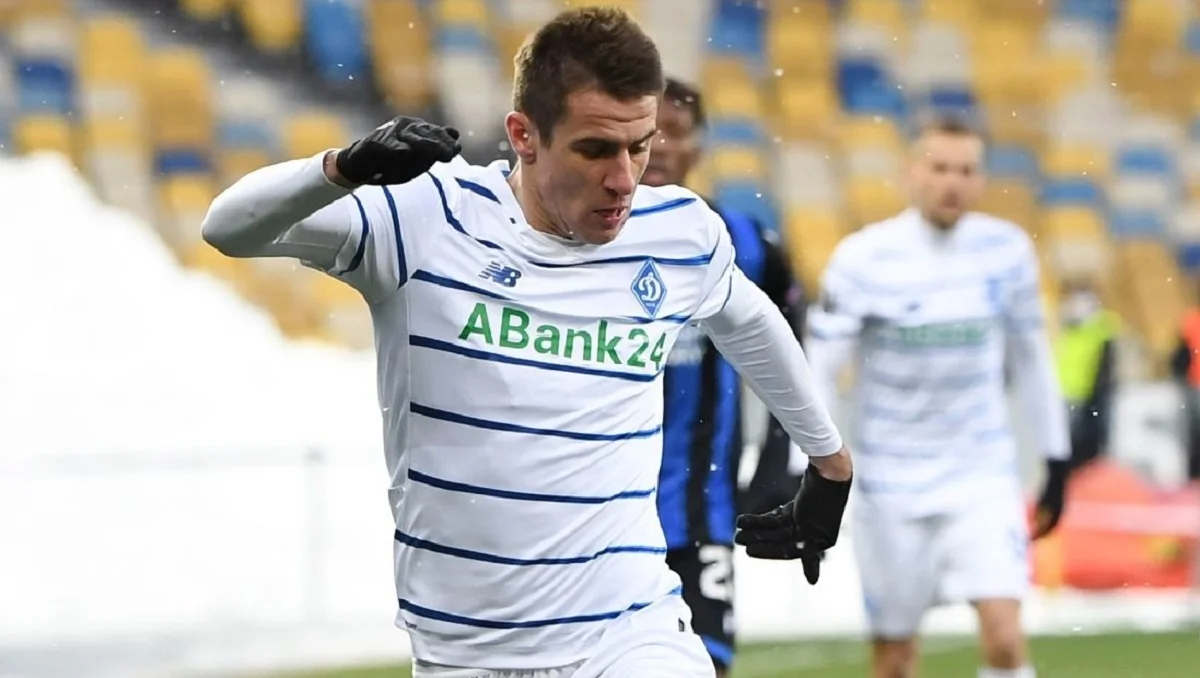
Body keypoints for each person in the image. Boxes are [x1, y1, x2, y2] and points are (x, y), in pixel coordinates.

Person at [201, 8, 853, 678]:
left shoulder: (679, 231)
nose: (625, 179)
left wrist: (830, 463)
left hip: (628, 631)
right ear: (524, 135)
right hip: (466, 652)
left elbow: (749, 319)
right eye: (595, 149)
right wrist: (341, 168)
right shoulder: (425, 217)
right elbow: (229, 229)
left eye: (639, 147)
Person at [743, 115, 1071, 678]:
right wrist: (806, 475)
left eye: (966, 170)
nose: (952, 183)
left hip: (982, 477)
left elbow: (1031, 357)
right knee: (894, 659)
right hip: (890, 485)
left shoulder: (1007, 251)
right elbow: (821, 369)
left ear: (981, 178)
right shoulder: (864, 258)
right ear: (912, 173)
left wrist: (1056, 460)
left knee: (1004, 638)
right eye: (940, 168)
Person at [642, 76, 803, 677]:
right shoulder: (578, 235)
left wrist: (780, 458)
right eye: (648, 130)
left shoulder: (743, 243)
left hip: (699, 507)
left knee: (705, 667)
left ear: (699, 146)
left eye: (675, 131)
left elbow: (791, 346)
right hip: (591, 512)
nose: (660, 145)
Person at [1054, 279, 1118, 469]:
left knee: (1079, 443)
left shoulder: (1101, 325)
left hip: (1085, 392)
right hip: (1064, 389)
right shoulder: (1069, 325)